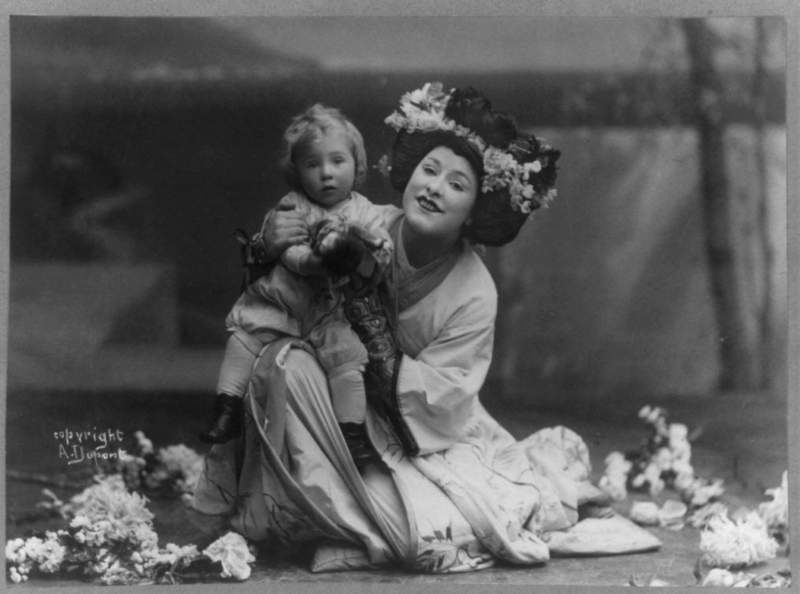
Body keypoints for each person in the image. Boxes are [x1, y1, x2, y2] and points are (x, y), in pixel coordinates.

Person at [193, 83, 661, 573]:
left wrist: (378, 349)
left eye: (457, 185)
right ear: (408, 175)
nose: (435, 188)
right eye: (429, 171)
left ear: (476, 210)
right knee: (281, 363)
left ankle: (355, 527)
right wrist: (270, 243)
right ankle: (319, 515)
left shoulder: (475, 293)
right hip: (338, 395)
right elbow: (286, 289)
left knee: (430, 530)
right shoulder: (369, 221)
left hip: (416, 432)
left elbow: (444, 399)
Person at [200, 104, 393, 471]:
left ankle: (354, 438)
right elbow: (290, 253)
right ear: (297, 171)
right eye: (312, 164)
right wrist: (315, 261)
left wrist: (364, 250)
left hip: (327, 311)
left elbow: (380, 248)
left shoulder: (365, 212)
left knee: (348, 362)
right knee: (243, 338)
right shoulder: (293, 206)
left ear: (357, 164)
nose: (326, 174)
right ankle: (226, 409)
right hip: (282, 301)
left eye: (338, 161)